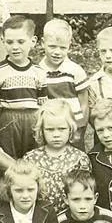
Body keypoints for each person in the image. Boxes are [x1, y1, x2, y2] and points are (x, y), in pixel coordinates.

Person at [20, 99, 91, 215]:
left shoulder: (79, 159)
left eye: (62, 129)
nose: (56, 134)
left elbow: (85, 193)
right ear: (41, 130)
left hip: (70, 219)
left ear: (70, 129)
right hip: (39, 217)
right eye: (50, 129)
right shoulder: (31, 158)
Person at [0, 15, 47, 159]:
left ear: (33, 41)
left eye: (21, 42)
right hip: (8, 119)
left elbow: (43, 104)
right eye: (9, 42)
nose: (15, 47)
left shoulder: (39, 72)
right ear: (2, 41)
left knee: (34, 156)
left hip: (33, 119)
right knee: (9, 156)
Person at [37, 18, 89, 148]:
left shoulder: (75, 71)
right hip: (51, 126)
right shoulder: (38, 71)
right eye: (52, 46)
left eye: (62, 48)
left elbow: (84, 102)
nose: (57, 52)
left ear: (69, 45)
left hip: (73, 125)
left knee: (75, 157)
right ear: (43, 43)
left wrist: (80, 126)